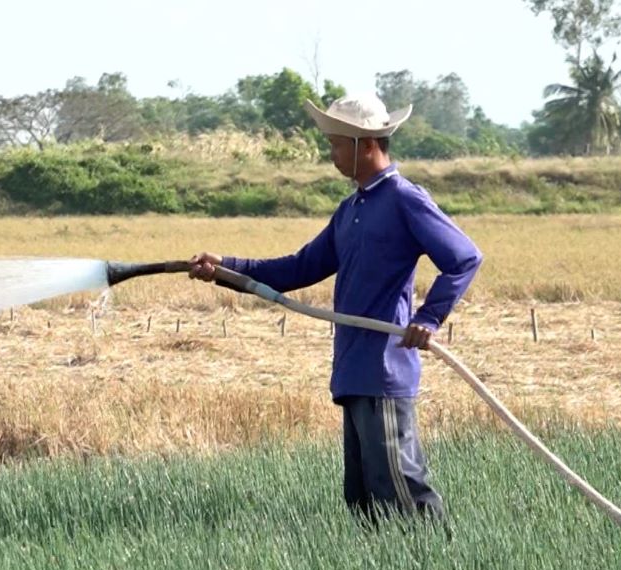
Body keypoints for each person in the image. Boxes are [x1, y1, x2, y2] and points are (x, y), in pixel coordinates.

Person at [189, 91, 482, 524]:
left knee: (401, 491)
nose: (332, 154)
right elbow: (299, 268)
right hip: (352, 370)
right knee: (363, 501)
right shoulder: (350, 211)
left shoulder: (405, 199)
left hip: (384, 370)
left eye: (335, 144)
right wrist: (225, 269)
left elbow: (464, 258)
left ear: (364, 144)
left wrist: (428, 318)